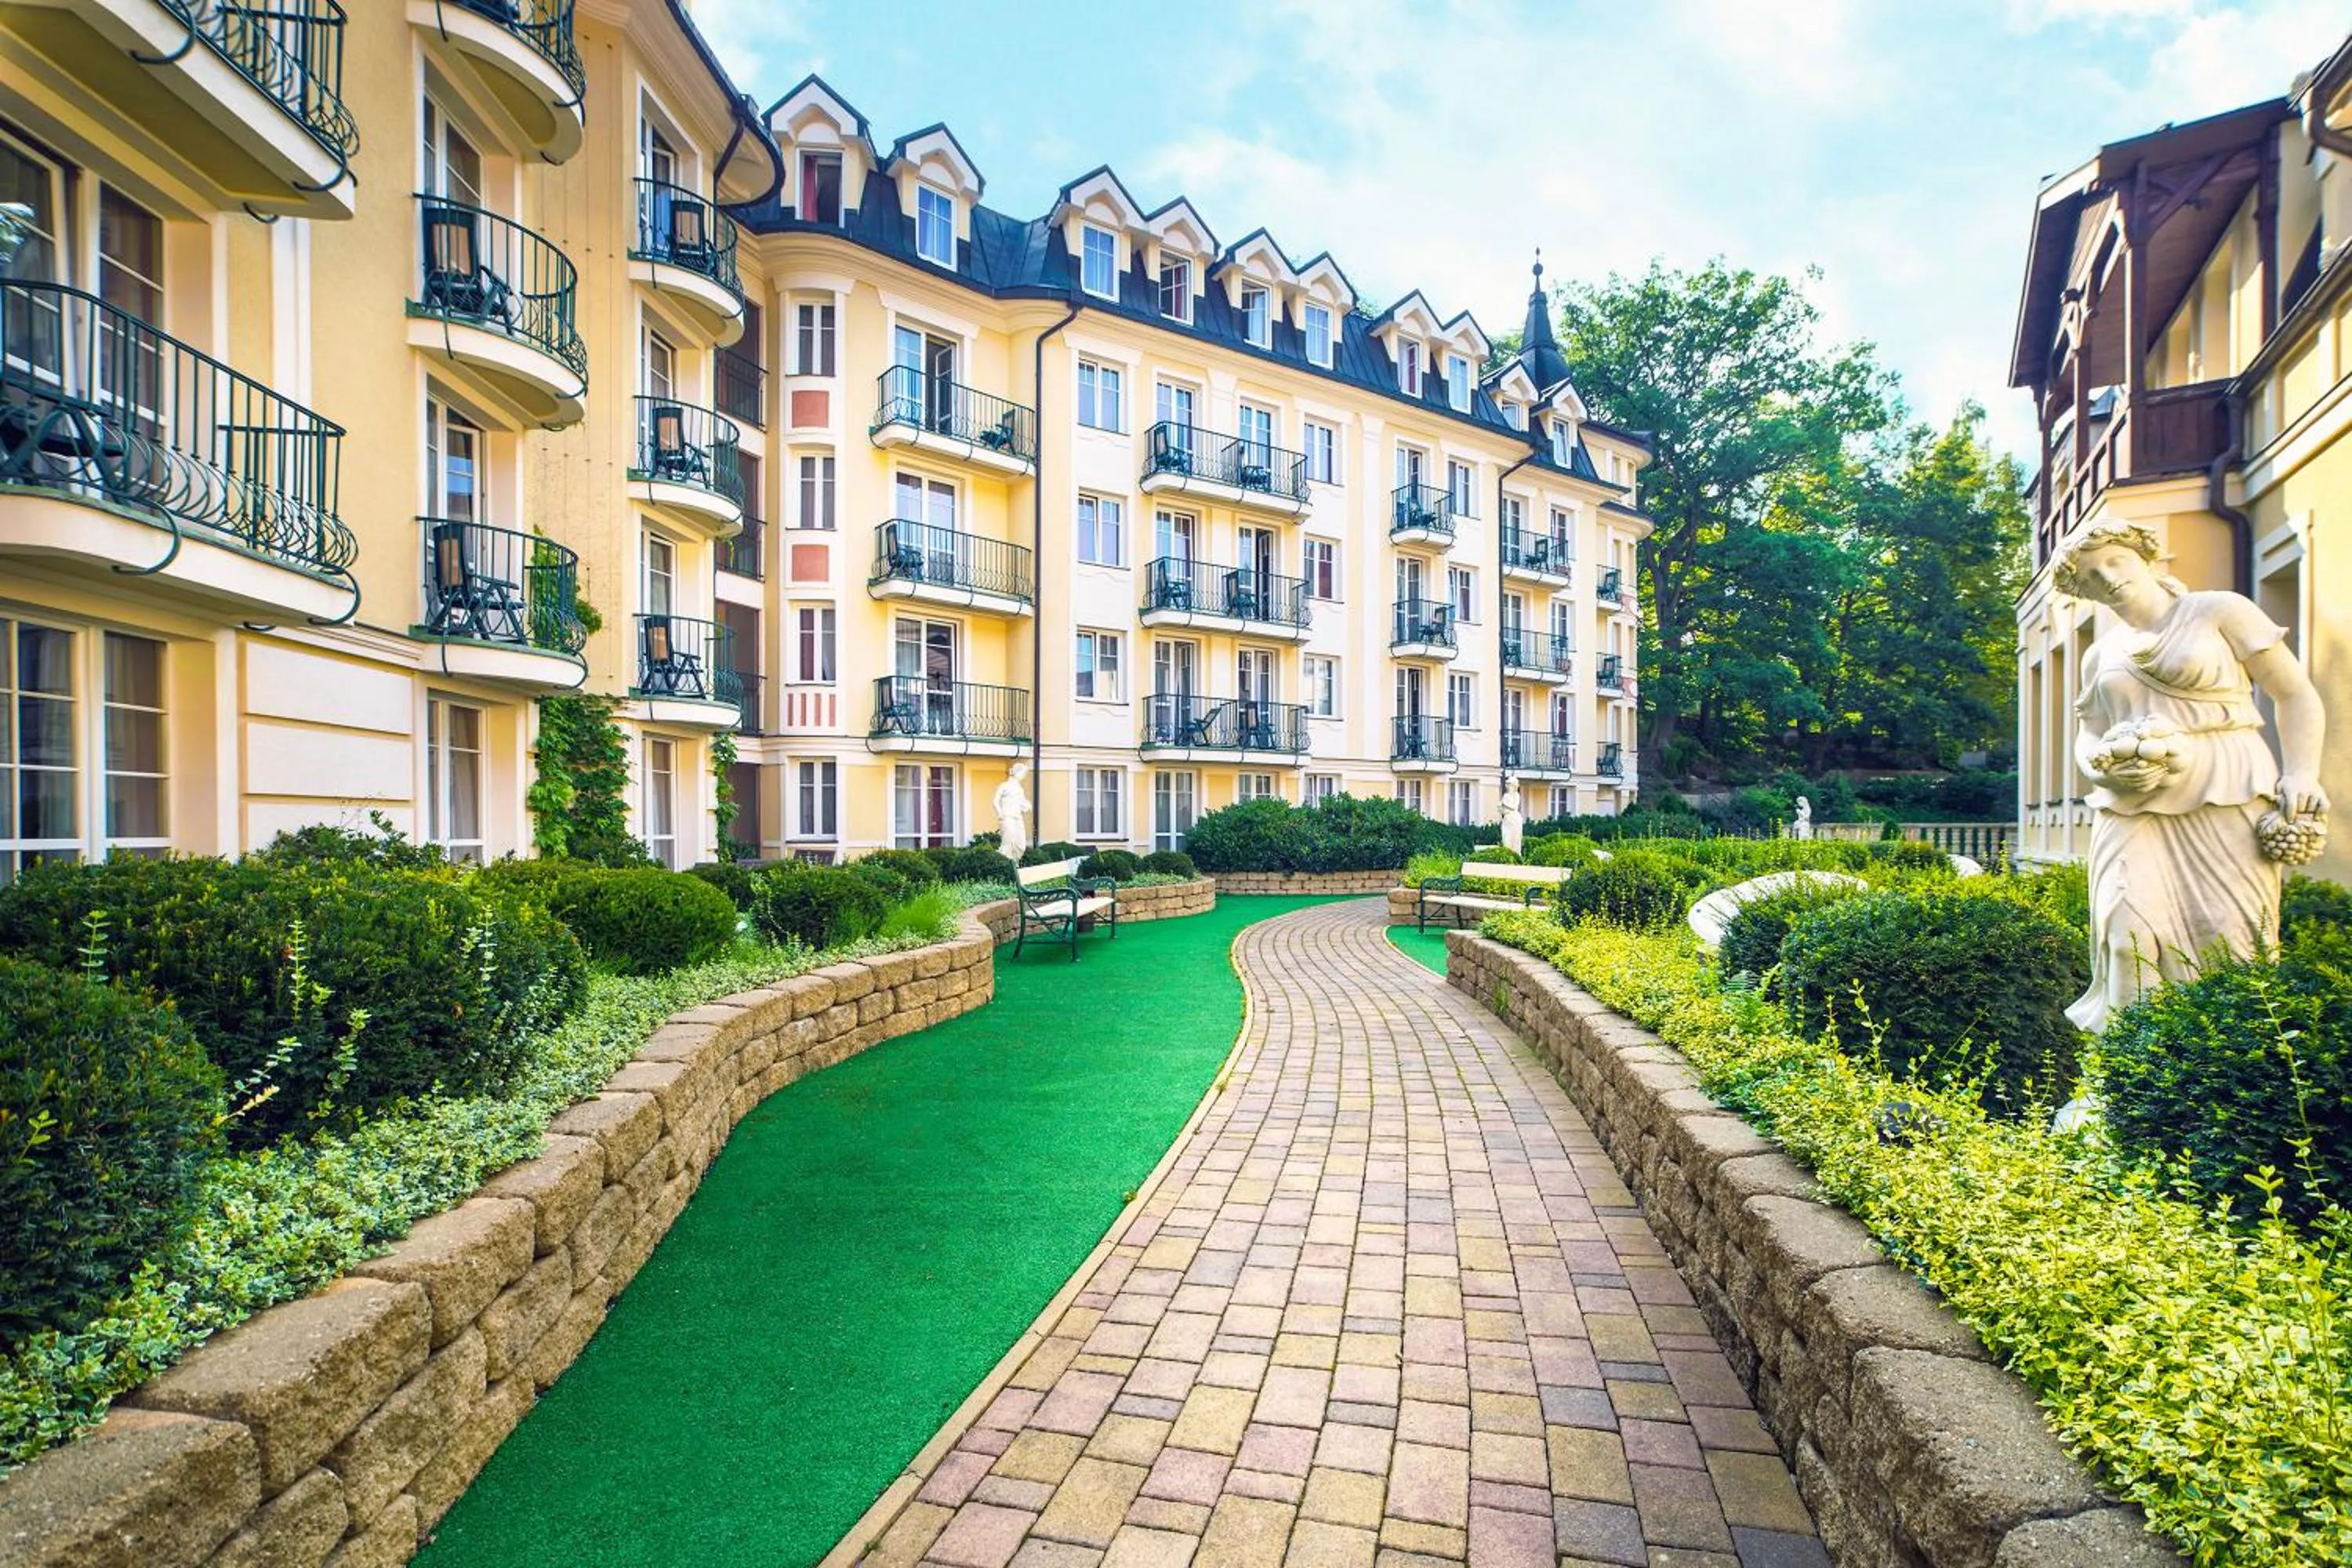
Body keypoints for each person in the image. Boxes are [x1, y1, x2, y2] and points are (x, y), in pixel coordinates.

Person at [2057, 522, 2328, 1031]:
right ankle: (2128, 1075)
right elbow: (2088, 735)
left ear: (2144, 555)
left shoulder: (2219, 611)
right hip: (2128, 807)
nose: (2108, 578)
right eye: (2092, 576)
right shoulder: (2101, 655)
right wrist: (2101, 766)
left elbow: (2295, 694)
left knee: (2230, 940)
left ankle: (2220, 1074)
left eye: (2115, 561)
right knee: (2125, 934)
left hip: (2226, 790)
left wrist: (2302, 773)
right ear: (2084, 591)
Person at [993, 761, 1032, 863]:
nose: (1023, 777)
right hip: (1007, 817)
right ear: (1017, 773)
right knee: (1008, 844)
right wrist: (1000, 813)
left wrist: (1027, 806)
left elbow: (1022, 804)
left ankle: (1014, 863)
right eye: (1023, 774)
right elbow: (995, 801)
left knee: (1020, 845)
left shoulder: (1020, 789)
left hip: (1017, 818)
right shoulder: (1004, 786)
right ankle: (1003, 865)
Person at [1499, 776, 1524, 856]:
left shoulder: (1516, 795)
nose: (1508, 786)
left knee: (1516, 840)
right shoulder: (1505, 796)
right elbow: (1502, 810)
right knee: (1506, 839)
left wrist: (1504, 804)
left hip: (1515, 819)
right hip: (1507, 819)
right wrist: (1501, 807)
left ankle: (1516, 857)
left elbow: (1514, 807)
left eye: (1510, 784)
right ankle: (1508, 857)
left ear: (1514, 786)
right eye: (1508, 784)